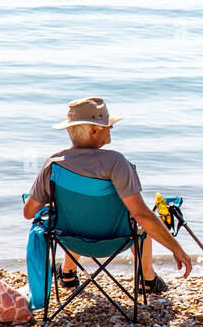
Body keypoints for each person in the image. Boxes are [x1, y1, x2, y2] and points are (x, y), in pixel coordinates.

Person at [22, 97, 192, 292]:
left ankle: (67, 273)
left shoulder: (54, 163)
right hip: (116, 241)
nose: (110, 128)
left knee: (70, 212)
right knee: (141, 219)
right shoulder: (116, 163)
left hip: (71, 239)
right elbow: (141, 215)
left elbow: (28, 213)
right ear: (94, 131)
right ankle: (147, 279)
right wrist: (177, 249)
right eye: (107, 125)